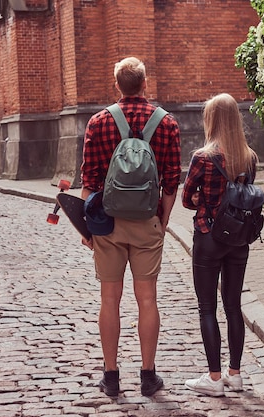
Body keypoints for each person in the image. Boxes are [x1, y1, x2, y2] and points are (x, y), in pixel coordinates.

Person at [80, 56, 182, 397]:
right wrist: (162, 220)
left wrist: (86, 229)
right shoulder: (166, 123)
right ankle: (148, 376)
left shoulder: (98, 122)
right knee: (147, 299)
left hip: (107, 224)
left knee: (109, 299)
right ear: (144, 84)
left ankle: (111, 377)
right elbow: (171, 181)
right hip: (147, 222)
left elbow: (89, 182)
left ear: (116, 85)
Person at [181, 93, 258, 397]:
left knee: (207, 308)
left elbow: (187, 199)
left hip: (209, 235)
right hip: (239, 239)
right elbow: (244, 196)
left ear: (211, 120)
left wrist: (201, 198)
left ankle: (214, 379)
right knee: (234, 306)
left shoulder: (203, 156)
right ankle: (235, 375)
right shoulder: (249, 157)